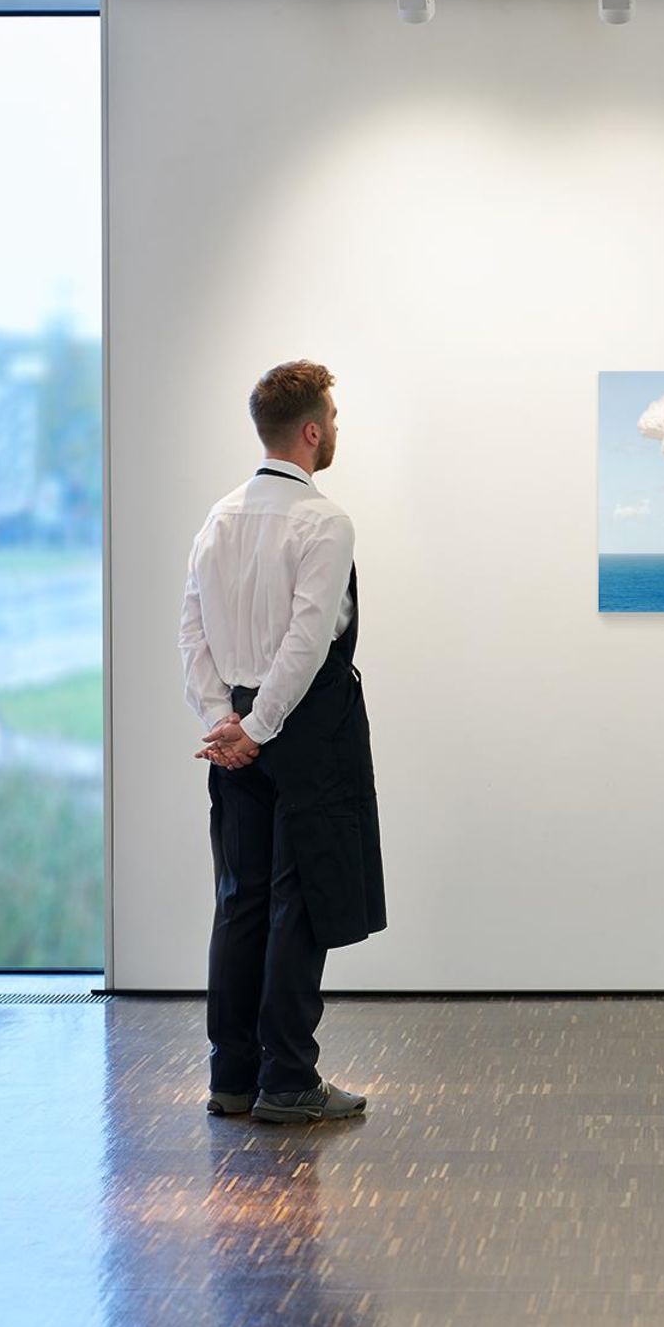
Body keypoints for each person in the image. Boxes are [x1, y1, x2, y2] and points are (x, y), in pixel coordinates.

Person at [177, 359, 387, 1123]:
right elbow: (306, 643)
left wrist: (222, 722)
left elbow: (192, 630)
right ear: (310, 430)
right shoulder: (325, 521)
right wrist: (260, 728)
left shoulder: (219, 517)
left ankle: (233, 1076)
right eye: (333, 417)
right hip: (300, 730)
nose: (336, 429)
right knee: (299, 902)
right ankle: (290, 1079)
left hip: (237, 727)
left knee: (240, 900)